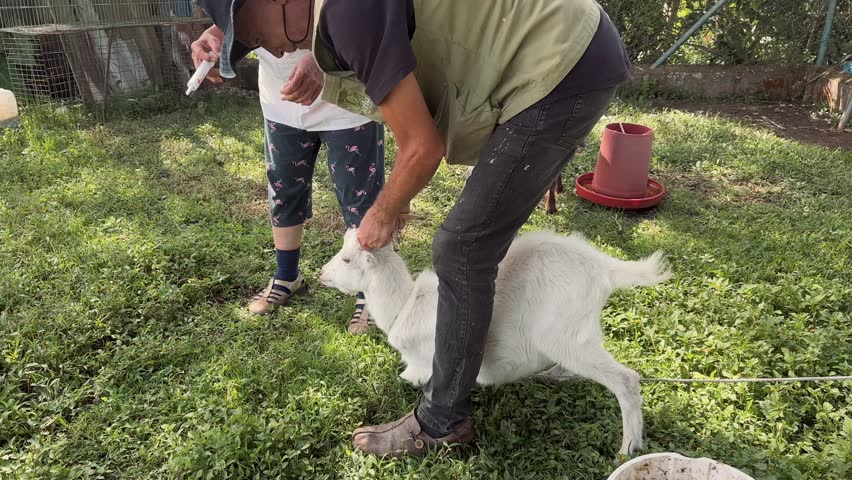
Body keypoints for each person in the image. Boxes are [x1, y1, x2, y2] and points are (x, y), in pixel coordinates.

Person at [197, 0, 631, 457]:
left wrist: (382, 212)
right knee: (467, 242)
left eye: (258, 37)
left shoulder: (346, 11)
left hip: (563, 60)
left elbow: (422, 147)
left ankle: (442, 421)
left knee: (462, 248)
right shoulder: (336, 19)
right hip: (565, 46)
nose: (271, 51)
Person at [189, 14, 388, 334]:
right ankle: (286, 276)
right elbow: (239, 14)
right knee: (284, 188)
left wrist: (323, 58)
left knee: (362, 199)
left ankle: (372, 291)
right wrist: (214, 35)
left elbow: (363, 17)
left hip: (347, 98)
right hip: (281, 100)